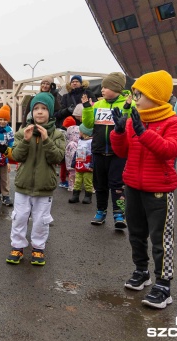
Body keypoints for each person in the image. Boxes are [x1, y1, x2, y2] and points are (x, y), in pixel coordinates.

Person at [110, 70, 177, 309]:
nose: (136, 97)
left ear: (156, 95)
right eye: (135, 93)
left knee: (161, 239)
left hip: (159, 190)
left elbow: (169, 151)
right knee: (136, 233)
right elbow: (122, 152)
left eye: (139, 93)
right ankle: (141, 271)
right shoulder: (133, 119)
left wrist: (144, 132)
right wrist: (119, 132)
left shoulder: (173, 122)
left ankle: (164, 284)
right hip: (132, 185)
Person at [6, 92, 65, 266]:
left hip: (44, 187)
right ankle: (17, 246)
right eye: (36, 108)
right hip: (23, 185)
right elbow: (16, 155)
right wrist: (25, 140)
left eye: (44, 109)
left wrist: (46, 139)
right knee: (19, 217)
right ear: (31, 112)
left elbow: (58, 158)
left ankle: (38, 248)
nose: (39, 112)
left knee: (41, 220)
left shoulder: (57, 135)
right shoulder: (23, 132)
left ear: (50, 112)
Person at [81, 72, 133, 229]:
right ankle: (100, 211)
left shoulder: (129, 103)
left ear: (116, 88)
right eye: (102, 87)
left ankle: (119, 214)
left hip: (118, 153)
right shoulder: (98, 105)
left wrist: (127, 109)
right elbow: (88, 125)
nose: (102, 90)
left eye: (106, 87)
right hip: (98, 151)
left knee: (117, 184)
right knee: (100, 184)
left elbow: (129, 124)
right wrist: (87, 109)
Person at [68, 123, 93, 204]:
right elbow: (76, 153)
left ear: (85, 132)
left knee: (87, 181)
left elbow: (94, 154)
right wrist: (73, 163)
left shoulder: (91, 142)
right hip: (79, 164)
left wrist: (92, 164)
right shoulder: (80, 141)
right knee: (77, 180)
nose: (79, 133)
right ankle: (75, 196)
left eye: (80, 131)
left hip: (87, 165)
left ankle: (87, 196)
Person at [63, 116, 80, 192]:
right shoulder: (80, 143)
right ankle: (78, 186)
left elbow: (68, 154)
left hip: (71, 163)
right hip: (79, 162)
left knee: (72, 174)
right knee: (80, 175)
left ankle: (71, 186)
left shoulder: (70, 143)